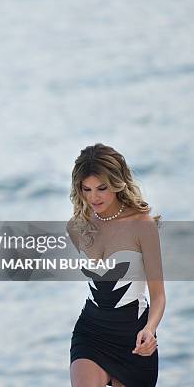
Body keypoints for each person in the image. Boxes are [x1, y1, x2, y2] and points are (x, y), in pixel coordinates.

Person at [66, 143, 165, 387]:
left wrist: (150, 330)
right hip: (91, 332)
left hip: (133, 337)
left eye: (101, 188)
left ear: (117, 182)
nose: (93, 197)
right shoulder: (76, 227)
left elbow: (159, 295)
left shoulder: (142, 224)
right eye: (86, 189)